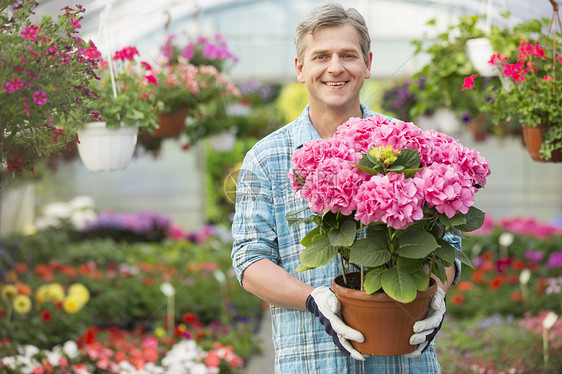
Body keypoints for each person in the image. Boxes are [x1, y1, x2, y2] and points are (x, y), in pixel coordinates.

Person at [231, 3, 461, 373]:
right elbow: (249, 259)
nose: (335, 67)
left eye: (348, 55)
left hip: (404, 363)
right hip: (312, 360)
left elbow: (447, 243)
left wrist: (437, 291)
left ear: (368, 64)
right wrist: (312, 299)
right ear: (300, 68)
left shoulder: (406, 144)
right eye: (321, 56)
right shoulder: (267, 157)